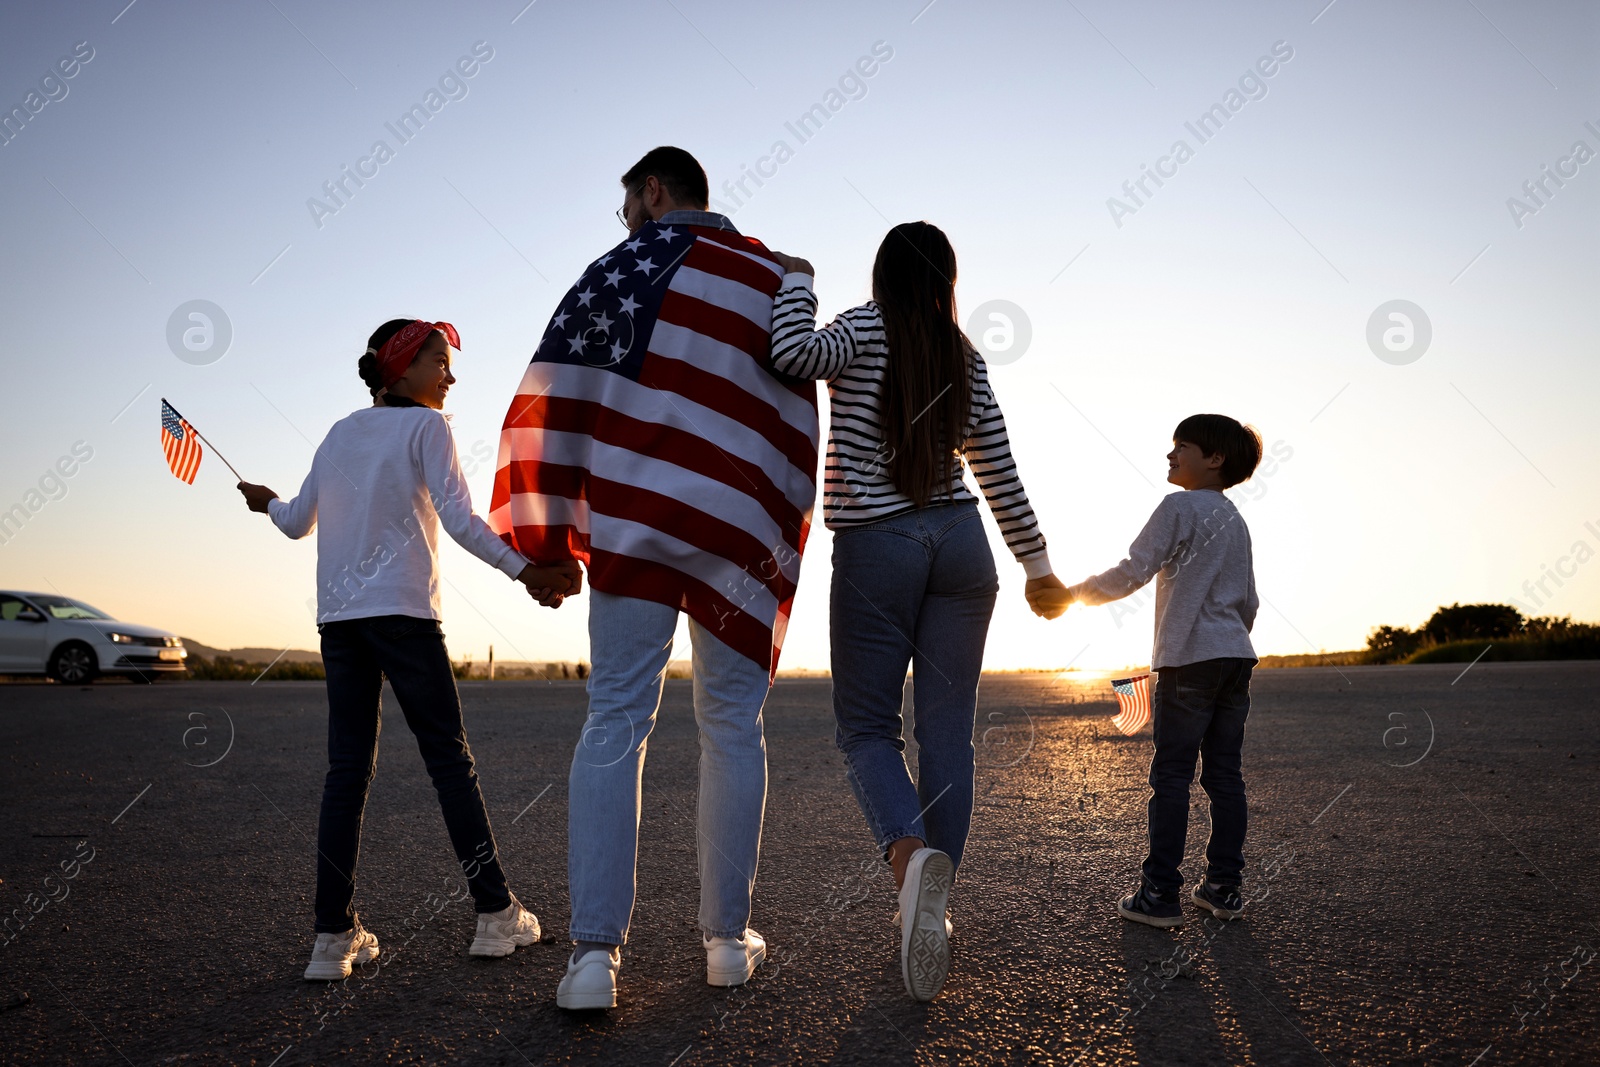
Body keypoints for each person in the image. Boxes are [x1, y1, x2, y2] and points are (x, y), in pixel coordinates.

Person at [486, 147, 821, 1011]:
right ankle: (725, 944)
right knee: (733, 727)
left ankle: (594, 959)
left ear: (653, 192)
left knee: (614, 721)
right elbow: (792, 406)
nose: (624, 220)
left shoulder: (619, 270)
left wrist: (549, 536)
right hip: (737, 533)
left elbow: (555, 393)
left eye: (626, 203)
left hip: (635, 526)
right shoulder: (771, 274)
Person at [767, 222, 1068, 1001]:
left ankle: (909, 865)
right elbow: (998, 464)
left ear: (881, 272)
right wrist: (1038, 565)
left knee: (866, 728)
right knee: (947, 734)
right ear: (948, 278)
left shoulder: (863, 327)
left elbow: (792, 355)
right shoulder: (961, 351)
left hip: (879, 544)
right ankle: (932, 908)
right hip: (965, 545)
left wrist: (797, 282)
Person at [237, 318, 580, 980]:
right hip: (404, 618)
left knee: (346, 772)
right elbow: (457, 519)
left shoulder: (339, 433)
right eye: (438, 361)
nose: (450, 375)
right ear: (400, 369)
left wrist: (266, 501)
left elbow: (294, 522)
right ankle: (493, 914)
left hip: (340, 624)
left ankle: (332, 937)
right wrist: (525, 569)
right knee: (450, 764)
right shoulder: (428, 428)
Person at [1052, 414, 1262, 928]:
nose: (1170, 455)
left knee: (1171, 775)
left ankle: (1160, 894)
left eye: (1181, 446)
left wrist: (1072, 595)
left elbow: (1134, 569)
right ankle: (1223, 888)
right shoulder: (1234, 518)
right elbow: (1250, 599)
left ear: (1215, 458)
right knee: (1224, 774)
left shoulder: (1179, 506)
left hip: (1188, 659)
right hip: (1236, 656)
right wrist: (1231, 638)